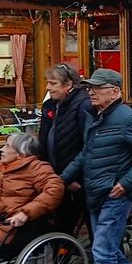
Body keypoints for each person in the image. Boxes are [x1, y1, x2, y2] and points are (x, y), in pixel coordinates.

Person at [61, 68, 132, 264]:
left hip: (114, 195)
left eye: (97, 88)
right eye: (90, 87)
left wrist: (126, 183)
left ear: (115, 92)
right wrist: (62, 179)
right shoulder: (98, 117)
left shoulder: (127, 119)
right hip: (97, 193)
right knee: (109, 249)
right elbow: (86, 154)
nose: (91, 92)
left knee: (102, 251)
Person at [37, 63, 90, 237]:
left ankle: (101, 260)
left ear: (68, 84)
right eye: (48, 82)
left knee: (84, 222)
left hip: (77, 181)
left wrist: (74, 177)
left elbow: (87, 145)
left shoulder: (83, 105)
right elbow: (44, 141)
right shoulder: (50, 106)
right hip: (57, 177)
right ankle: (62, 260)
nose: (48, 87)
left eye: (53, 83)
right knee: (61, 226)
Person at [0, 133, 64, 245]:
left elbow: (55, 189)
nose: (2, 149)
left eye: (7, 146)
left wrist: (26, 213)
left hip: (12, 228)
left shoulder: (37, 168)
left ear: (21, 153)